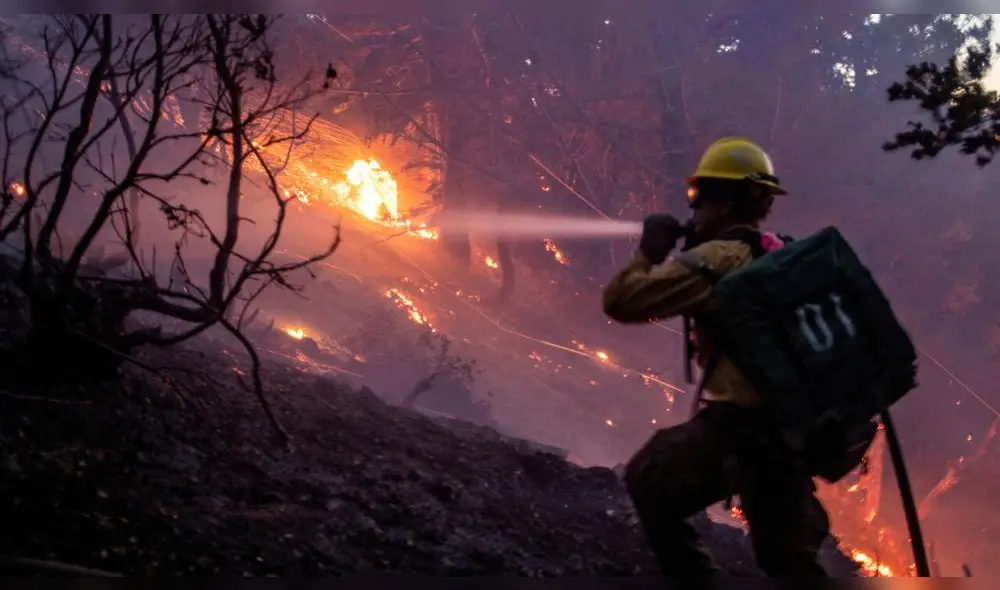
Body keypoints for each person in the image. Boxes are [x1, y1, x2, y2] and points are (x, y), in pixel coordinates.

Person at [602, 137, 831, 577]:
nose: (693, 211)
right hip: (793, 432)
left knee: (648, 480)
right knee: (789, 561)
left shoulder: (717, 260)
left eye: (697, 197)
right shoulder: (782, 252)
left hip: (741, 426)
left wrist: (649, 253)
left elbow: (622, 301)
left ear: (721, 202)